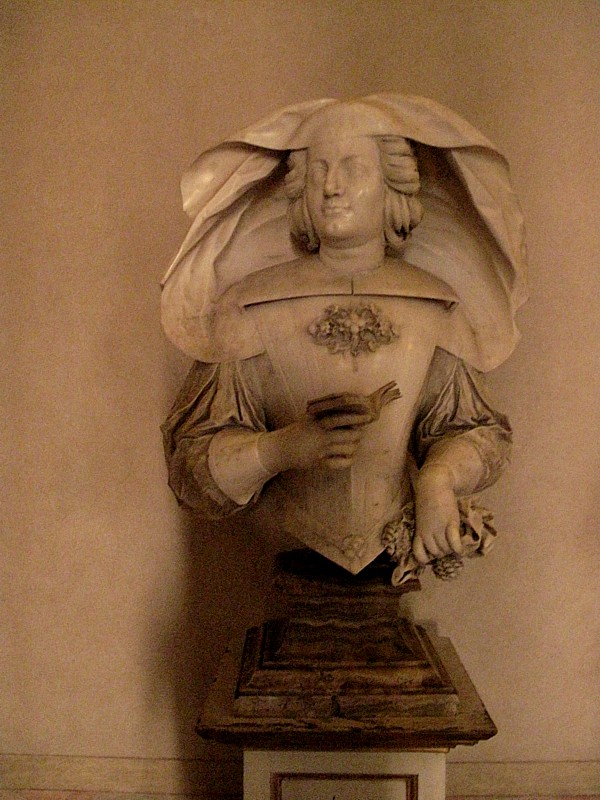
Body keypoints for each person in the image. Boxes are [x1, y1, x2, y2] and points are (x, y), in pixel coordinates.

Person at [161, 96, 526, 576]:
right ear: (300, 189)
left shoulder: (436, 305)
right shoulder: (249, 306)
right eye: (319, 171)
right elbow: (192, 463)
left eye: (352, 169)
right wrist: (280, 449)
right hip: (291, 548)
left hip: (390, 557)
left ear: (392, 185)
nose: (332, 187)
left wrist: (439, 478)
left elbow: (478, 432)